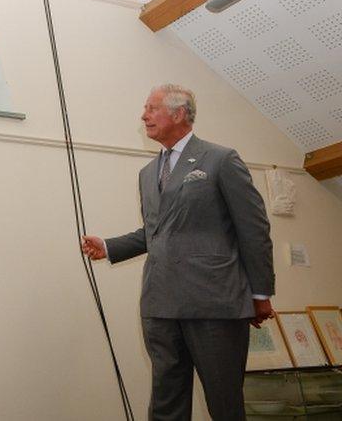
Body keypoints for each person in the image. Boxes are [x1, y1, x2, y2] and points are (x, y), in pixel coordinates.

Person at [81, 84, 274, 421]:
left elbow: (253, 230)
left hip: (214, 303)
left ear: (179, 113)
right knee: (166, 404)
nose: (143, 116)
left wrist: (259, 294)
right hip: (160, 304)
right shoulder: (146, 174)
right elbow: (156, 232)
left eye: (151, 108)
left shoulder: (221, 159)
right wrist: (110, 246)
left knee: (224, 403)